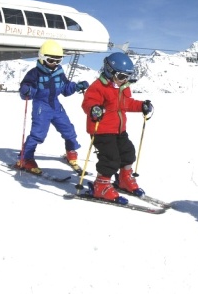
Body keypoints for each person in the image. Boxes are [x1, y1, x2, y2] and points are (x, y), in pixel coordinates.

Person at [81, 52, 153, 202]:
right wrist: (94, 109)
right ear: (109, 71)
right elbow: (88, 103)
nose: (125, 80)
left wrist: (141, 106)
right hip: (101, 130)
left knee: (128, 152)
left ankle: (124, 178)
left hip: (119, 129)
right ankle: (101, 185)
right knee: (110, 158)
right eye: (121, 76)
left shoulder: (123, 87)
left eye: (128, 76)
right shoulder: (98, 86)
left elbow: (127, 104)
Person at [16, 39, 89, 175]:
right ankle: (26, 158)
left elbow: (65, 89)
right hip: (41, 106)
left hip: (56, 105)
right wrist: (27, 90)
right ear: (42, 58)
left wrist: (76, 86)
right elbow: (24, 88)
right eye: (51, 60)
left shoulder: (59, 72)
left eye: (58, 61)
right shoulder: (34, 73)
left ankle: (70, 152)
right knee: (38, 134)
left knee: (68, 130)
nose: (55, 64)